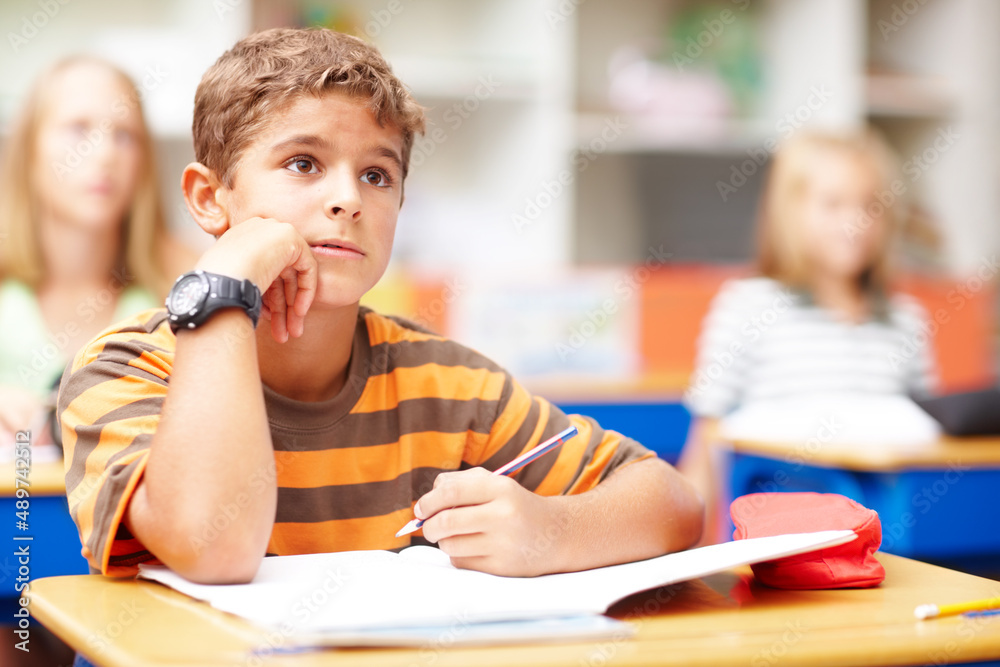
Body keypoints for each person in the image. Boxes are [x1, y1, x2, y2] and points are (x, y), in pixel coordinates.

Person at [57, 28, 703, 584]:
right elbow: (213, 546)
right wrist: (222, 282)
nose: (348, 199)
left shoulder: (450, 385)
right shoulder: (121, 371)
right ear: (208, 198)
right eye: (304, 163)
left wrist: (551, 530)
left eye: (377, 174)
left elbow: (672, 499)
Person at [680, 128, 937, 541]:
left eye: (871, 206)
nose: (855, 223)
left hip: (886, 538)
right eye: (833, 204)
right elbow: (706, 444)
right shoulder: (746, 307)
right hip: (779, 536)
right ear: (790, 210)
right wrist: (688, 551)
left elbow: (928, 441)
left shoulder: (906, 320)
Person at [0, 56, 196, 444]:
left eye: (125, 135)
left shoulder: (184, 281)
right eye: (78, 128)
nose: (106, 154)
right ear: (30, 149)